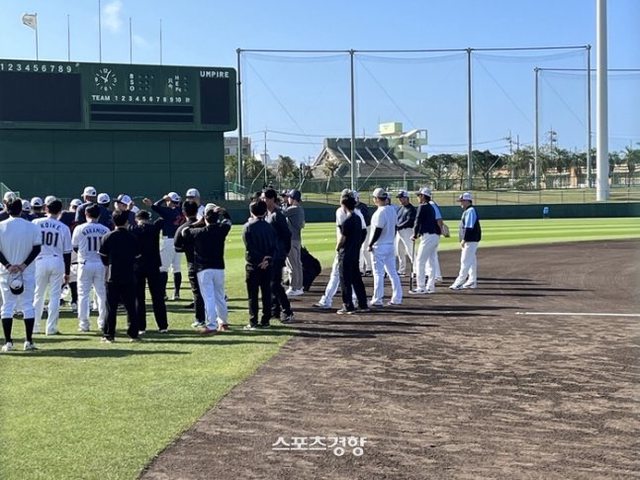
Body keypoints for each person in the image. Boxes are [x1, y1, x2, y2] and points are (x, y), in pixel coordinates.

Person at [182, 203, 232, 334]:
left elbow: (184, 232)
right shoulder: (221, 229)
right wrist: (224, 211)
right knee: (220, 296)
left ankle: (211, 325)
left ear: (205, 218)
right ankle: (223, 322)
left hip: (203, 268)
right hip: (219, 267)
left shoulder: (199, 232)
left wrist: (197, 223)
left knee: (209, 297)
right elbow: (228, 221)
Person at [313, 189, 366, 309]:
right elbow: (363, 232)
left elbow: (344, 235)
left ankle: (332, 301)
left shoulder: (343, 212)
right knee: (353, 277)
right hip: (354, 249)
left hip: (344, 249)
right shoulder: (358, 214)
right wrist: (356, 245)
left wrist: (339, 247)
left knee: (341, 276)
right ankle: (356, 301)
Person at [0, 198, 42, 352]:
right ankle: (28, 341)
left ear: (6, 208)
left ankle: (8, 342)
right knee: (27, 305)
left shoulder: (1, 226)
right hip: (27, 271)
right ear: (22, 209)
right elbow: (37, 249)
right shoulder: (32, 227)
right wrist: (24, 265)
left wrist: (8, 265)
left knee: (7, 306)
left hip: (6, 272)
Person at [99, 210, 141, 342]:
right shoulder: (132, 237)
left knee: (111, 307)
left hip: (112, 275)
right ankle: (133, 334)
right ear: (127, 222)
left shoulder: (107, 236)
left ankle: (109, 335)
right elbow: (137, 257)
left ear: (113, 221)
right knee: (131, 307)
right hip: (129, 274)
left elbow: (103, 257)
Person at [32, 199, 72, 335]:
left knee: (38, 294)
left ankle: (34, 326)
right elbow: (67, 253)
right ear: (60, 211)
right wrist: (67, 272)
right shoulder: (63, 227)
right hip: (57, 260)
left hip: (39, 260)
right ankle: (51, 328)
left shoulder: (36, 223)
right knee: (55, 296)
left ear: (46, 209)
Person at [72, 204, 110, 332]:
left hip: (85, 262)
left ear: (86, 214)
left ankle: (84, 324)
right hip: (100, 263)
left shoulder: (79, 228)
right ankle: (103, 322)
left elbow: (75, 246)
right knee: (102, 294)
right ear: (99, 215)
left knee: (83, 295)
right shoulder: (105, 229)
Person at [129, 210, 168, 334]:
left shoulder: (133, 229)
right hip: (153, 265)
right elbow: (165, 216)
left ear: (137, 219)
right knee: (157, 297)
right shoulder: (154, 228)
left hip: (138, 265)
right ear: (148, 218)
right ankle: (162, 325)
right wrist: (153, 206)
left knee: (139, 297)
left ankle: (141, 326)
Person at [261, 188, 295, 324]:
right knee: (271, 283)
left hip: (277, 254)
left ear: (271, 199)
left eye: (264, 198)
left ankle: (287, 311)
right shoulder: (267, 214)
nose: (262, 200)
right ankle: (275, 310)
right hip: (271, 254)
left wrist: (284, 252)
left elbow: (287, 235)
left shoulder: (277, 215)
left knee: (275, 284)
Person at [242, 200, 276, 330]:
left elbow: (249, 247)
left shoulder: (248, 226)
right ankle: (266, 320)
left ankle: (253, 321)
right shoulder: (269, 226)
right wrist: (267, 260)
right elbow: (274, 246)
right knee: (266, 293)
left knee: (253, 295)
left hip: (253, 265)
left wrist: (260, 260)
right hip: (267, 265)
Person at [144, 192, 184, 301]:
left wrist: (163, 199)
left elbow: (155, 206)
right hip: (179, 241)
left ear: (170, 201)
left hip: (169, 241)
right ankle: (176, 293)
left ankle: (163, 293)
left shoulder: (169, 211)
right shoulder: (181, 210)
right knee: (177, 268)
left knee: (163, 268)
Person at [367, 188, 402, 307]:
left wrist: (370, 244)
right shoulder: (392, 210)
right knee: (393, 272)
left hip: (379, 246)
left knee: (378, 273)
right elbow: (396, 227)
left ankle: (377, 299)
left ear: (376, 199)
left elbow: (378, 230)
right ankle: (397, 298)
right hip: (390, 245)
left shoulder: (379, 213)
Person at [174, 200, 206, 328]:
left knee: (197, 292)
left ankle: (200, 319)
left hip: (193, 263)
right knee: (210, 292)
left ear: (184, 212)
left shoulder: (183, 228)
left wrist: (187, 248)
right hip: (208, 262)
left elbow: (177, 247)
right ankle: (216, 318)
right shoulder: (205, 225)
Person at [336, 195, 369, 314]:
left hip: (345, 253)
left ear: (344, 206)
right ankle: (363, 304)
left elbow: (342, 238)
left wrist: (337, 247)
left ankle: (348, 305)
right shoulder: (358, 218)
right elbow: (363, 233)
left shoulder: (347, 221)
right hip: (355, 253)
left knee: (345, 280)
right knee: (357, 279)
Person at [410, 188, 440, 294]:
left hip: (428, 237)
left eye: (419, 195)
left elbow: (417, 221)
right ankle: (430, 286)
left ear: (423, 196)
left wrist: (414, 234)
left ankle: (421, 287)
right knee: (431, 261)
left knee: (420, 261)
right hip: (435, 236)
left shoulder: (422, 207)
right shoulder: (431, 207)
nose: (418, 197)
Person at [450, 192, 482, 290]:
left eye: (462, 201)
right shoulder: (468, 211)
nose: (461, 203)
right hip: (471, 240)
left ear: (468, 201)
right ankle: (472, 281)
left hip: (470, 240)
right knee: (471, 261)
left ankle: (459, 282)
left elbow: (469, 227)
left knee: (465, 261)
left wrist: (464, 239)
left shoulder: (470, 211)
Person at [284, 189, 305, 296]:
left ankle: (294, 287)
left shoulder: (293, 208)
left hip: (291, 239)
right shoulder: (300, 209)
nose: (287, 199)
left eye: (289, 197)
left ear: (293, 199)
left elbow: (280, 213)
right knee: (297, 264)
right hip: (297, 239)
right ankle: (299, 286)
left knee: (292, 264)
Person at [394, 190, 417, 277]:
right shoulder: (400, 208)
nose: (400, 199)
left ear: (407, 198)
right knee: (400, 251)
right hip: (399, 232)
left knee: (411, 251)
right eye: (399, 198)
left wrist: (398, 226)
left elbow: (409, 221)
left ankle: (416, 270)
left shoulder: (411, 209)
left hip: (408, 231)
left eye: (402, 198)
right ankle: (401, 270)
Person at [354, 192, 373, 276]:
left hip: (366, 228)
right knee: (359, 250)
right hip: (357, 230)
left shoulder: (363, 206)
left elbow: (365, 219)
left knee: (365, 249)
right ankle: (360, 269)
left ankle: (369, 268)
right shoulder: (351, 207)